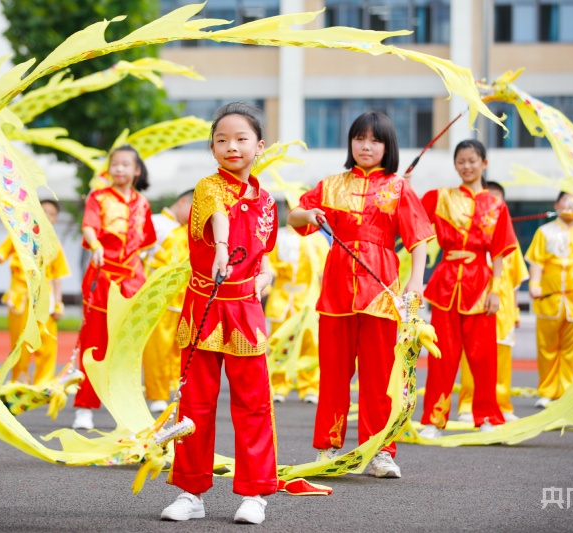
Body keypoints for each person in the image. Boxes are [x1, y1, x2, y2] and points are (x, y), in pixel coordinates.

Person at [287, 111, 434, 478]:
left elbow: (419, 240)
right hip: (336, 291)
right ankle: (328, 448)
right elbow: (294, 216)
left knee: (378, 377)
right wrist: (309, 216)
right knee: (333, 375)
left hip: (382, 292)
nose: (366, 146)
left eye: (375, 140)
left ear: (388, 146)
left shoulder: (398, 187)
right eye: (359, 139)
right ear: (351, 143)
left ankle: (380, 450)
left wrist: (416, 283)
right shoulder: (331, 184)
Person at [162, 102, 277, 525]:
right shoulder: (207, 187)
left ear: (259, 146)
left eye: (241, 138)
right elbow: (220, 220)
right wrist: (223, 252)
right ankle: (191, 492)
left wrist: (264, 280)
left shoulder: (267, 203)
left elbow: (266, 261)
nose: (232, 146)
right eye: (222, 139)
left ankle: (255, 495)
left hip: (245, 311)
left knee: (253, 405)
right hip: (204, 308)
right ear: (212, 149)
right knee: (195, 404)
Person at [418, 140, 517, 439]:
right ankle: (433, 420)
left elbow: (499, 252)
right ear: (455, 165)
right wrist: (405, 186)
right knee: (442, 356)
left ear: (484, 163)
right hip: (446, 281)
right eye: (460, 161)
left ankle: (486, 416)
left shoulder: (496, 205)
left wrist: (496, 289)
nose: (466, 166)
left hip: (480, 285)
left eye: (472, 160)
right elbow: (412, 215)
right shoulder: (440, 197)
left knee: (484, 357)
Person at [73, 145, 156, 430]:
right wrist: (95, 245)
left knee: (129, 345)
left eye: (125, 164)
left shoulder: (143, 203)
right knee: (95, 342)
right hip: (103, 275)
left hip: (133, 279)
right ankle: (85, 407)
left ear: (136, 170)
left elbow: (147, 244)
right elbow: (89, 227)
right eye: (114, 164)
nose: (119, 169)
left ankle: (125, 406)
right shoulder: (98, 197)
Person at [457, 181, 528, 423]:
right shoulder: (468, 242)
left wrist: (516, 313)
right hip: (475, 307)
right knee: (472, 357)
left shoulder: (512, 245)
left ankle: (502, 405)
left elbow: (516, 282)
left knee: (502, 359)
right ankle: (467, 404)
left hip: (504, 311)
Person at [0, 199, 70, 385]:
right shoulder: (20, 235)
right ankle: (19, 381)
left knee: (48, 341)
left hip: (45, 299)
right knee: (20, 342)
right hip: (20, 298)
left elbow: (57, 276)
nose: (46, 216)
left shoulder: (54, 244)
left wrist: (59, 303)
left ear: (55, 219)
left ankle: (43, 383)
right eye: (43, 211)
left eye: (51, 214)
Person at [526, 192, 573, 407]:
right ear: (556, 204)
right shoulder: (544, 231)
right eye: (566, 200)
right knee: (547, 348)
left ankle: (568, 393)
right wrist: (534, 284)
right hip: (548, 301)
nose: (571, 204)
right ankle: (548, 392)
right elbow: (537, 263)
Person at [266, 220, 329, 404]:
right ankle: (279, 385)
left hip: (308, 299)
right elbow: (268, 263)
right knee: (279, 342)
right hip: (282, 298)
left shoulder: (317, 239)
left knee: (310, 343)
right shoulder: (277, 236)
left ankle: (309, 386)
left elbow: (324, 271)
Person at [142, 189, 193, 414]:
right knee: (157, 349)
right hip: (159, 297)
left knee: (179, 349)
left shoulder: (190, 231)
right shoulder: (156, 223)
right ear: (182, 201)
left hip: (184, 298)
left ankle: (175, 391)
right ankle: (157, 394)